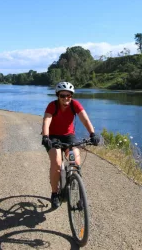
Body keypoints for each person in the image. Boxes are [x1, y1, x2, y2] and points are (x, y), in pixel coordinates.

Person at [41, 81, 100, 209]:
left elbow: (85, 119)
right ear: (58, 95)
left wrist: (92, 134)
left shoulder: (75, 105)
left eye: (68, 95)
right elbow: (47, 120)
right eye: (62, 95)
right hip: (53, 137)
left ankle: (79, 194)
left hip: (69, 137)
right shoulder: (52, 105)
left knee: (75, 161)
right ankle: (54, 193)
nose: (66, 98)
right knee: (57, 163)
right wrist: (45, 137)